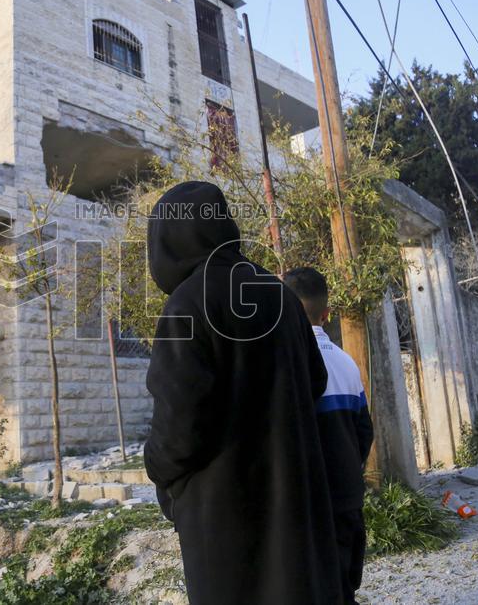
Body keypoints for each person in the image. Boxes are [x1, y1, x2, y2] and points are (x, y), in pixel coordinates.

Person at [144, 181, 341, 604]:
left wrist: (159, 471)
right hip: (292, 497)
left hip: (223, 513)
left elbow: (179, 426)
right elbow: (316, 381)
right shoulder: (280, 296)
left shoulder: (187, 305)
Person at [284, 267, 374, 605]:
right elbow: (364, 431)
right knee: (344, 585)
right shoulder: (348, 364)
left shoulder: (283, 365)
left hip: (306, 502)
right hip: (346, 494)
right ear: (327, 313)